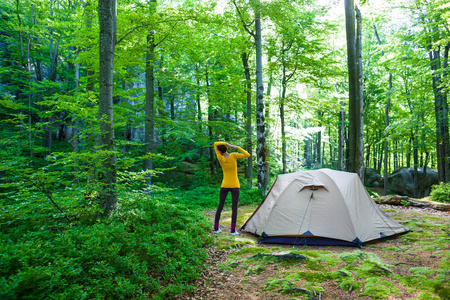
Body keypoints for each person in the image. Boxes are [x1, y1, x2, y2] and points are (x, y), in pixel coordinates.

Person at [213, 141, 250, 235]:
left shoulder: (220, 157)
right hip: (235, 186)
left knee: (220, 206)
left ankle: (216, 229)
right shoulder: (233, 155)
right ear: (226, 149)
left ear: (219, 151)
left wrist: (226, 144)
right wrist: (235, 147)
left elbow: (215, 143)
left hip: (224, 185)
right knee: (234, 208)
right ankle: (232, 231)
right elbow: (247, 155)